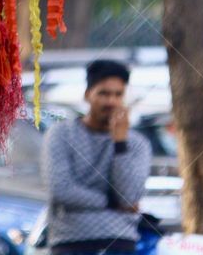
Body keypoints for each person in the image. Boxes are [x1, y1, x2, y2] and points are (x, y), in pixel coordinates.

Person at [41, 59, 153, 255]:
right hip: (71, 240)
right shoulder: (61, 134)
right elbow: (61, 189)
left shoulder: (136, 143)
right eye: (103, 93)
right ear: (87, 95)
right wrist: (110, 203)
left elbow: (128, 199)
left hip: (119, 240)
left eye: (118, 94)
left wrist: (120, 144)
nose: (111, 101)